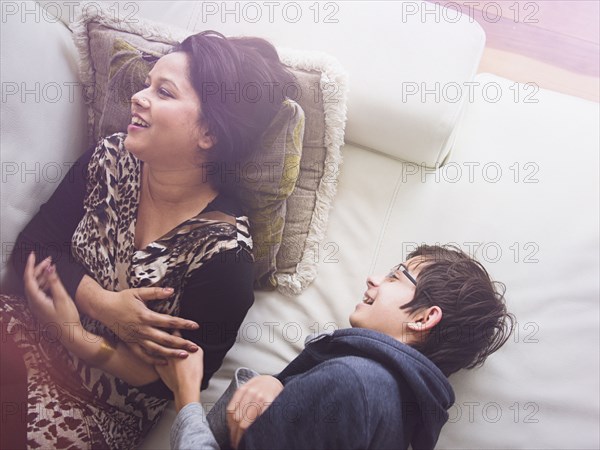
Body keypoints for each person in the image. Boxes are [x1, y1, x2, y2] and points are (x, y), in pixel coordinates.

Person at [0, 30, 295, 449]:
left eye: (164, 92)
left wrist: (77, 337)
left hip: (92, 410)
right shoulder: (110, 158)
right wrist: (100, 302)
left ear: (208, 133)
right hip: (20, 334)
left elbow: (176, 382)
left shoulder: (224, 256)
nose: (139, 97)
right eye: (146, 83)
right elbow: (33, 246)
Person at [153, 244, 514, 450]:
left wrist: (186, 396)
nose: (374, 278)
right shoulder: (401, 413)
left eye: (395, 276)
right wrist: (283, 386)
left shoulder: (352, 383)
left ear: (422, 319)